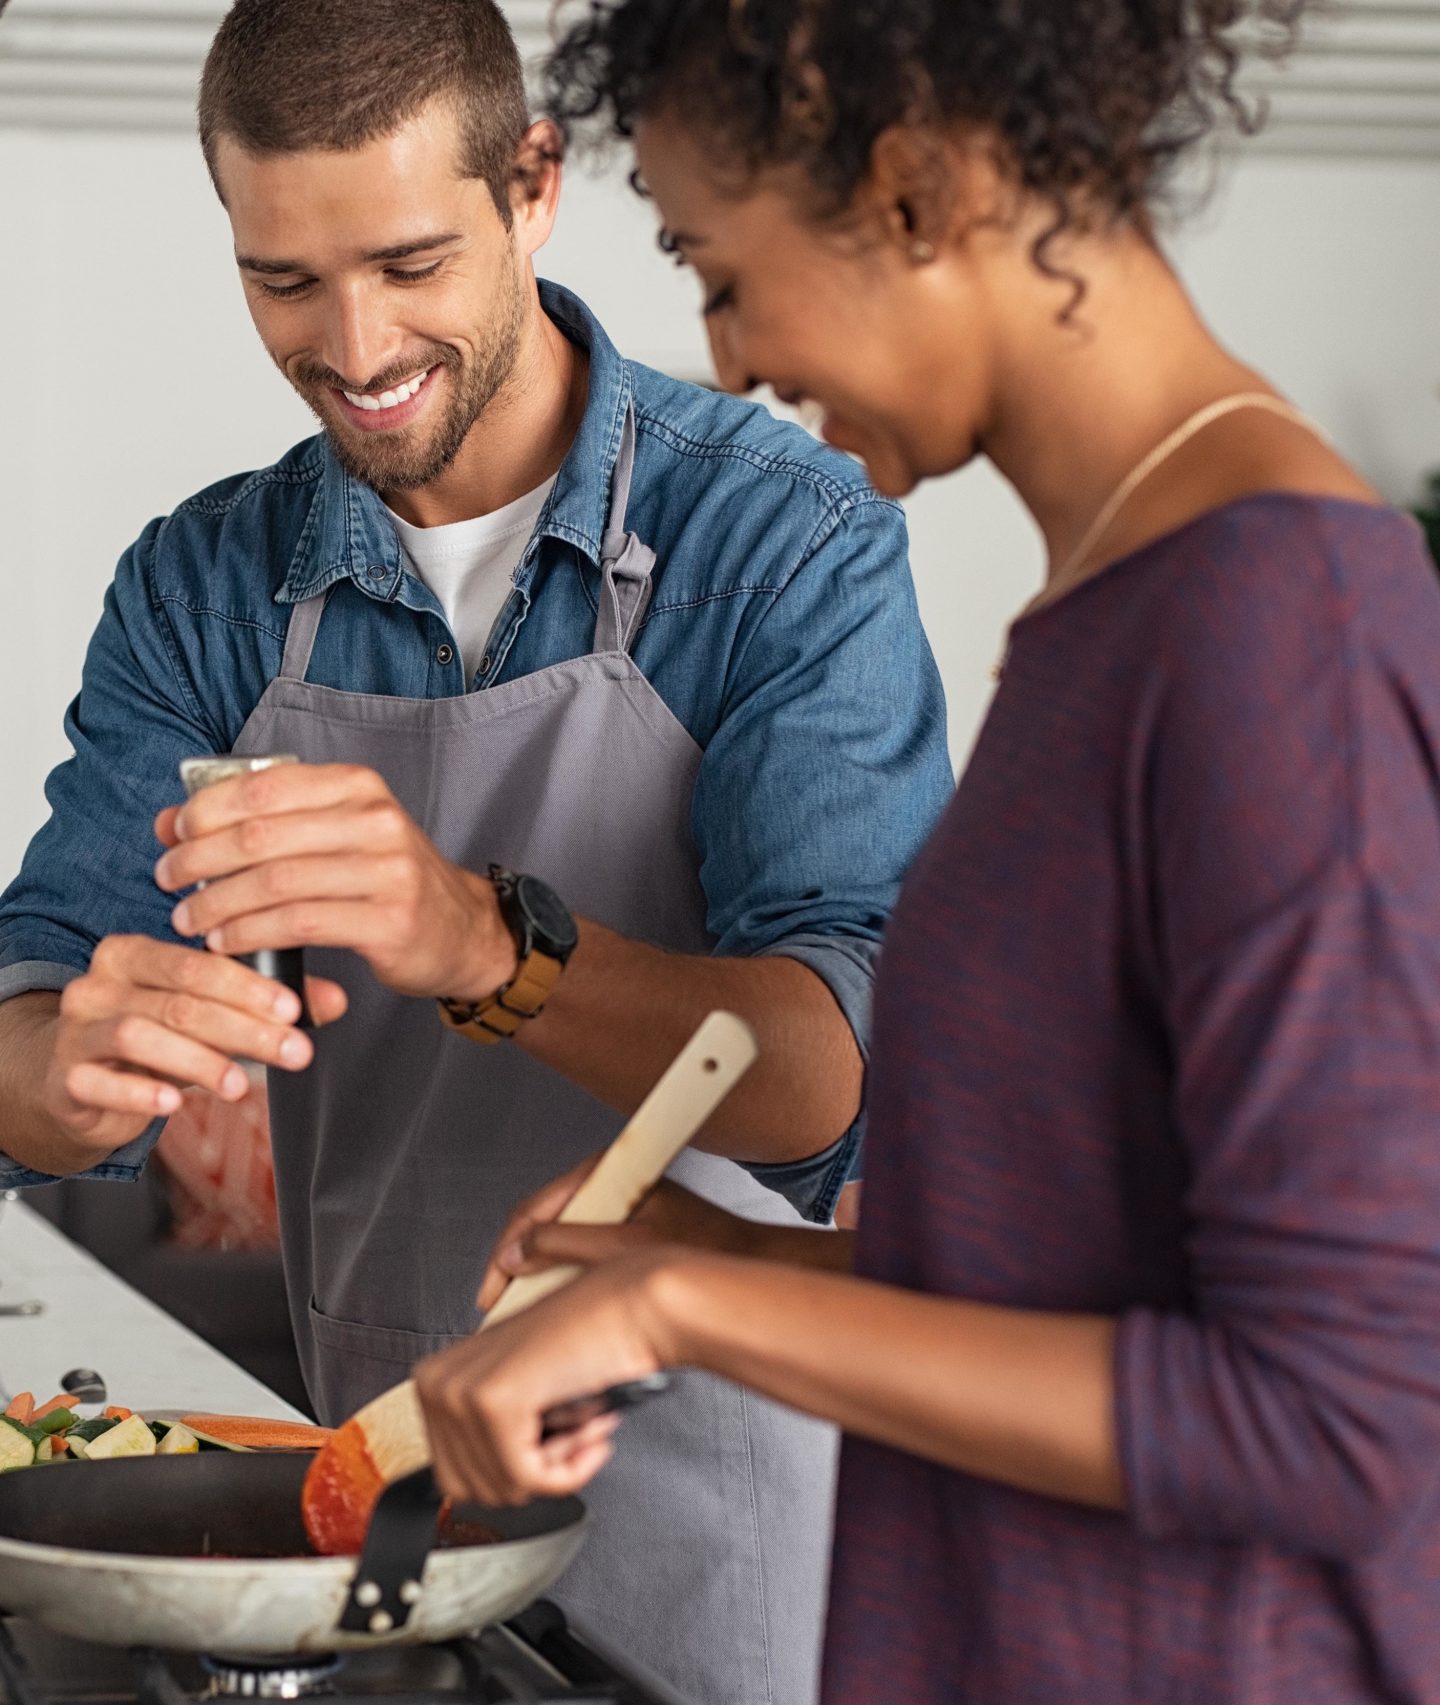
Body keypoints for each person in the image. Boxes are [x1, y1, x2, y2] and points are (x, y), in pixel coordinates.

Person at [410, 1, 1440, 1699]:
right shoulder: (1110, 613)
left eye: (720, 270)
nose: (724, 358)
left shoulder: (1282, 632)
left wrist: (689, 1318)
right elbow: (1088, 1271)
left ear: (912, 194)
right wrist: (715, 1250)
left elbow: (1339, 1416)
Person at [0, 0, 955, 1695]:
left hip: (732, 1538)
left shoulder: (783, 542)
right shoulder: (204, 588)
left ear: (532, 186)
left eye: (409, 261)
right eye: (284, 281)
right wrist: (74, 1061)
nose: (353, 341)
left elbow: (840, 1073)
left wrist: (482, 939)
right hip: (383, 1519)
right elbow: (0, 1056)